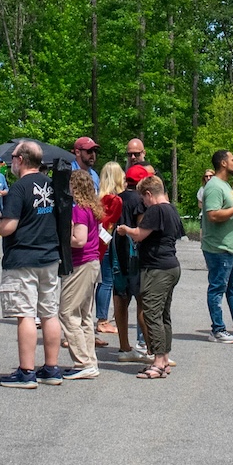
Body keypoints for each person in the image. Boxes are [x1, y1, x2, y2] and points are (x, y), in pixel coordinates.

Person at [0, 140, 65, 388]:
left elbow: (10, 225)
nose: (10, 161)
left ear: (21, 159)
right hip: (49, 256)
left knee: (25, 314)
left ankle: (26, 371)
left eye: (13, 156)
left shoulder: (19, 188)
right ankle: (52, 368)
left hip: (23, 257)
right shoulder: (52, 184)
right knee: (49, 313)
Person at [117, 175, 182, 378]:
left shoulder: (156, 209)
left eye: (143, 199)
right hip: (171, 266)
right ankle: (164, 359)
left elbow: (139, 234)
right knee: (164, 315)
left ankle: (158, 361)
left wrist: (124, 229)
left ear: (148, 194)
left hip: (157, 268)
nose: (143, 204)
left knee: (152, 313)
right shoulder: (172, 209)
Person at [200, 149, 233, 341]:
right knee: (217, 288)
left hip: (232, 248)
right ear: (223, 163)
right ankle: (218, 330)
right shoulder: (214, 186)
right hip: (219, 248)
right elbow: (212, 215)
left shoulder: (224, 185)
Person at [59, 170, 105, 380]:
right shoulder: (92, 208)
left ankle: (82, 361)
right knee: (84, 315)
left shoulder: (78, 210)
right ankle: (90, 361)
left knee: (67, 312)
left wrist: (59, 238)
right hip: (93, 263)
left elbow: (79, 240)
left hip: (81, 263)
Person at [111, 160, 152, 357]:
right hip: (135, 255)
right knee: (142, 300)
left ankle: (124, 346)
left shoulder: (116, 198)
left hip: (117, 253)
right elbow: (141, 229)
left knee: (120, 298)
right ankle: (152, 350)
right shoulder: (140, 201)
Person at [94, 161, 127, 349]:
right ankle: (102, 319)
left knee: (101, 281)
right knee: (107, 281)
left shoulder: (98, 197)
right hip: (105, 242)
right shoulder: (113, 199)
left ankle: (101, 318)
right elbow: (109, 224)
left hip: (97, 242)